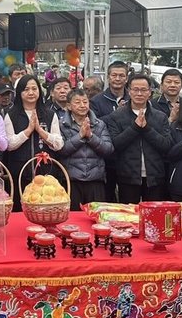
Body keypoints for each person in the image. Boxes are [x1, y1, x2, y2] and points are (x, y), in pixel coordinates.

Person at [106, 73, 172, 203]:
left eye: (143, 90)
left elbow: (166, 145)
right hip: (127, 176)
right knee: (129, 217)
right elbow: (115, 145)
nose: (139, 94)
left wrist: (147, 129)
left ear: (150, 92)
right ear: (129, 91)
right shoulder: (116, 116)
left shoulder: (160, 116)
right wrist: (135, 127)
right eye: (135, 90)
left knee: (153, 216)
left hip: (155, 176)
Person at [4, 75, 62, 211]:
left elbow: (59, 144)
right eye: (26, 89)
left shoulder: (49, 114)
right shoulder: (11, 115)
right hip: (19, 172)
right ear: (19, 93)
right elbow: (9, 145)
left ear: (39, 91)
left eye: (34, 89)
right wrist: (28, 130)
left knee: (44, 210)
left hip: (45, 174)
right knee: (20, 210)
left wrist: (41, 131)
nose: (31, 92)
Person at [58, 89, 114, 210]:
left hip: (95, 180)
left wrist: (91, 137)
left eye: (85, 102)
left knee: (95, 218)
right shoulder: (61, 125)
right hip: (71, 180)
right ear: (68, 106)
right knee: (72, 219)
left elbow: (108, 150)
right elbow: (61, 150)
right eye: (77, 102)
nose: (82, 105)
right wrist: (80, 136)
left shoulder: (99, 124)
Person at [92, 61, 129, 202]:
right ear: (108, 77)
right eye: (114, 75)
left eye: (121, 75)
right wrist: (117, 113)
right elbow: (95, 124)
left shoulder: (133, 98)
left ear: (126, 78)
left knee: (127, 201)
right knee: (107, 198)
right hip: (106, 157)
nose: (118, 79)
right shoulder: (97, 101)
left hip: (128, 157)